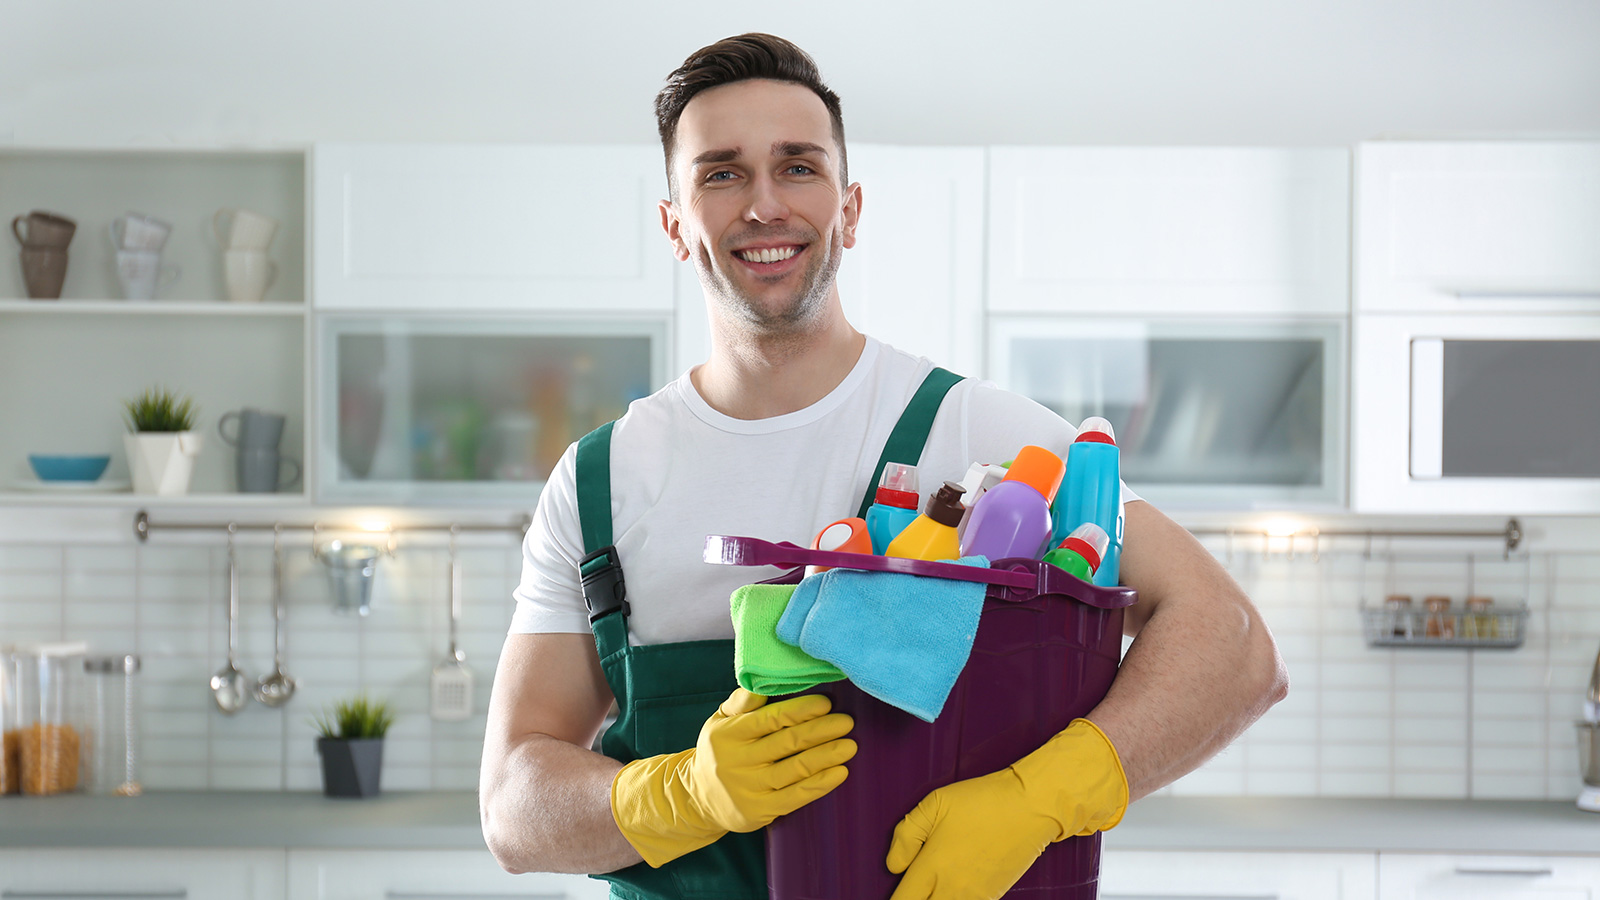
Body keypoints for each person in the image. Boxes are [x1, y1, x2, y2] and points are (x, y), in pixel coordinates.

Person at [481, 32, 1288, 900]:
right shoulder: (602, 480)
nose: (763, 206)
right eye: (721, 173)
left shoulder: (978, 436)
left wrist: (1043, 799)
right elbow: (513, 807)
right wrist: (680, 793)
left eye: (798, 167)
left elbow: (1236, 647)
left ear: (850, 208)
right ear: (675, 225)